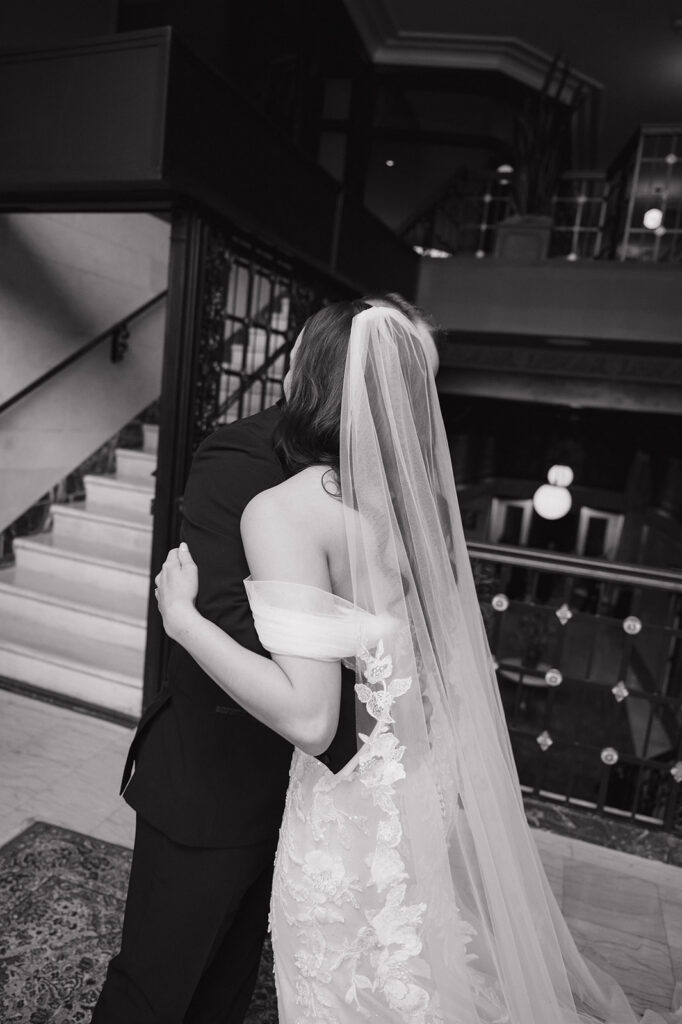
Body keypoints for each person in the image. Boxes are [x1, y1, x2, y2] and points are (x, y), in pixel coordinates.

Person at [156, 301, 664, 1023]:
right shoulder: (410, 507)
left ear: (312, 378)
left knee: (349, 987)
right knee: (418, 971)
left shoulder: (286, 510)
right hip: (418, 789)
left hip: (351, 808)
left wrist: (184, 622)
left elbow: (309, 715)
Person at [92, 294, 434, 1024]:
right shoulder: (244, 458)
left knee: (230, 984)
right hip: (221, 778)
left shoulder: (383, 489)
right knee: (156, 987)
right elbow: (231, 613)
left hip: (316, 787)